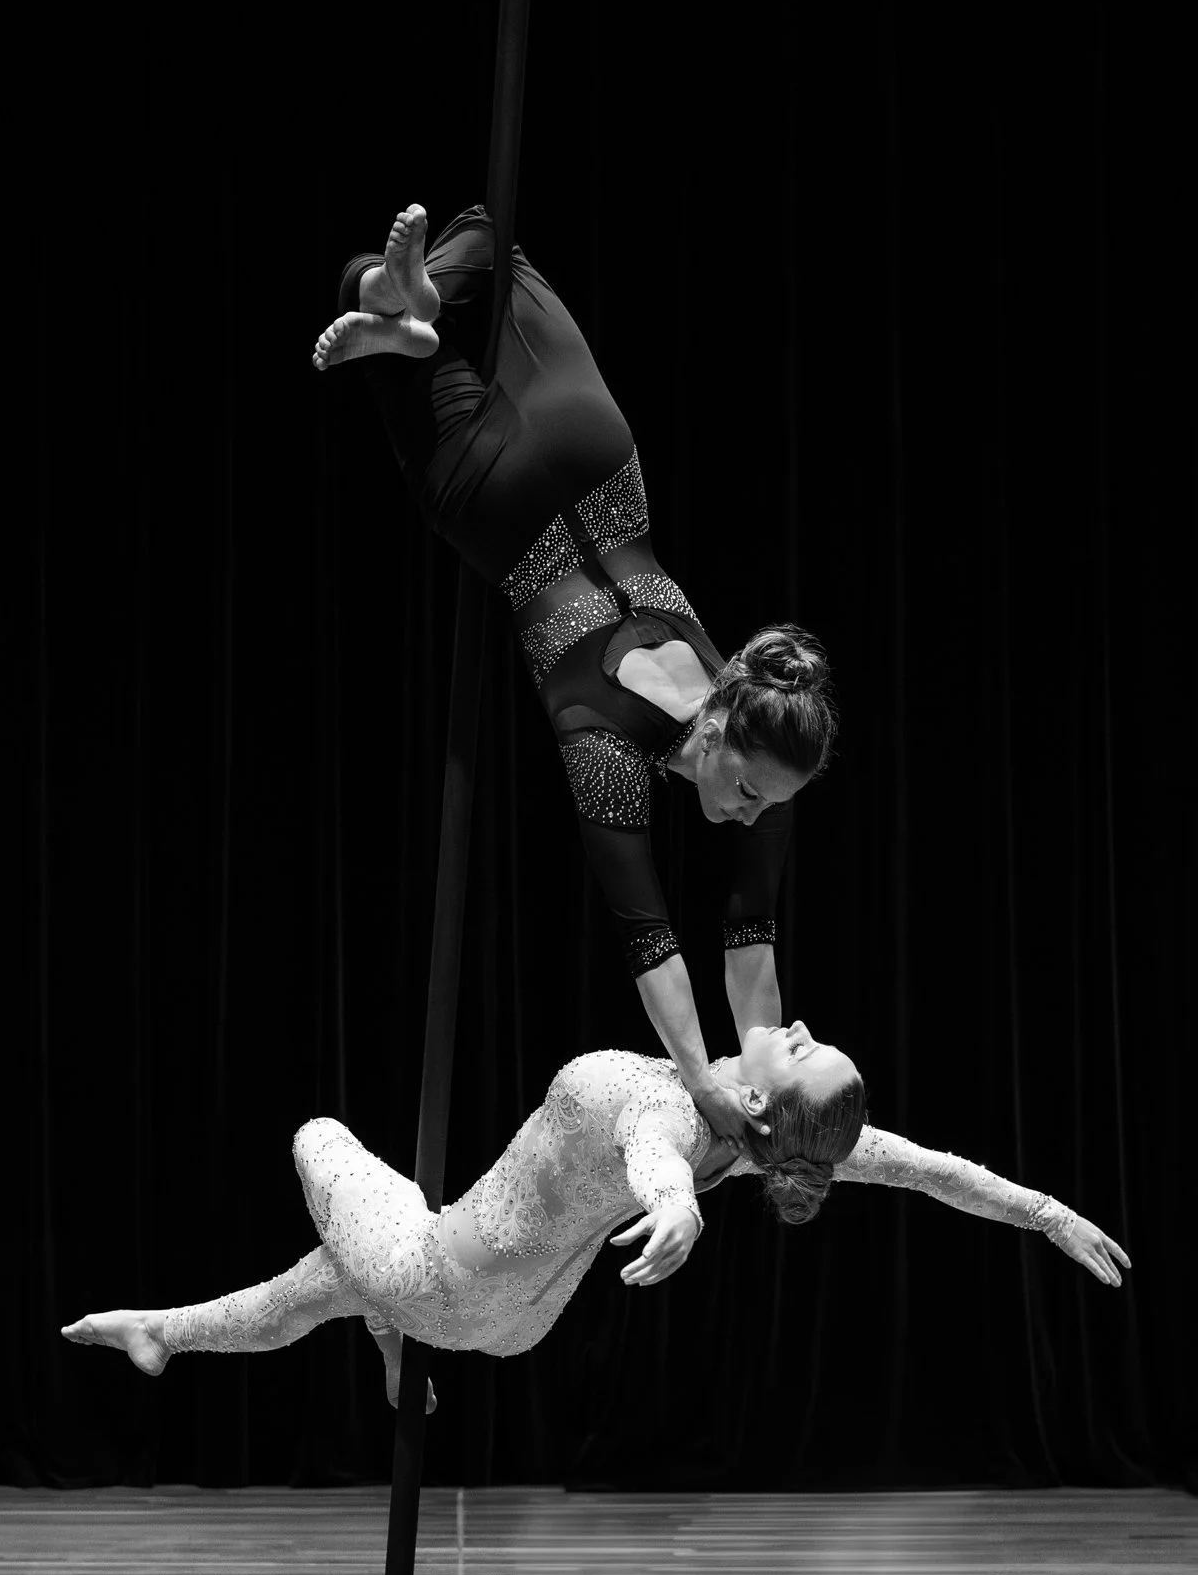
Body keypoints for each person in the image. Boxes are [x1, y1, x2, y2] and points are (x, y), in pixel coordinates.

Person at [313, 204, 838, 1146]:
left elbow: (744, 955)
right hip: (496, 514)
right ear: (716, 736)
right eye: (752, 794)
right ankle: (394, 305)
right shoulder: (607, 747)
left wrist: (754, 1068)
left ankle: (413, 300)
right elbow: (652, 932)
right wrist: (706, 1083)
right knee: (378, 303)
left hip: (596, 453)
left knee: (481, 233)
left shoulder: (761, 722)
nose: (756, 814)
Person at [61, 1025, 1130, 1408]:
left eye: (802, 1048)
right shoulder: (764, 1149)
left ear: (760, 1099)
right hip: (519, 1325)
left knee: (318, 1138)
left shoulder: (668, 1106)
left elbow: (651, 1154)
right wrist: (1045, 1214)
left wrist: (674, 1210)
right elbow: (936, 1172)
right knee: (322, 1287)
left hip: (447, 1273)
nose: (793, 1022)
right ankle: (169, 1330)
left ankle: (390, 1325)